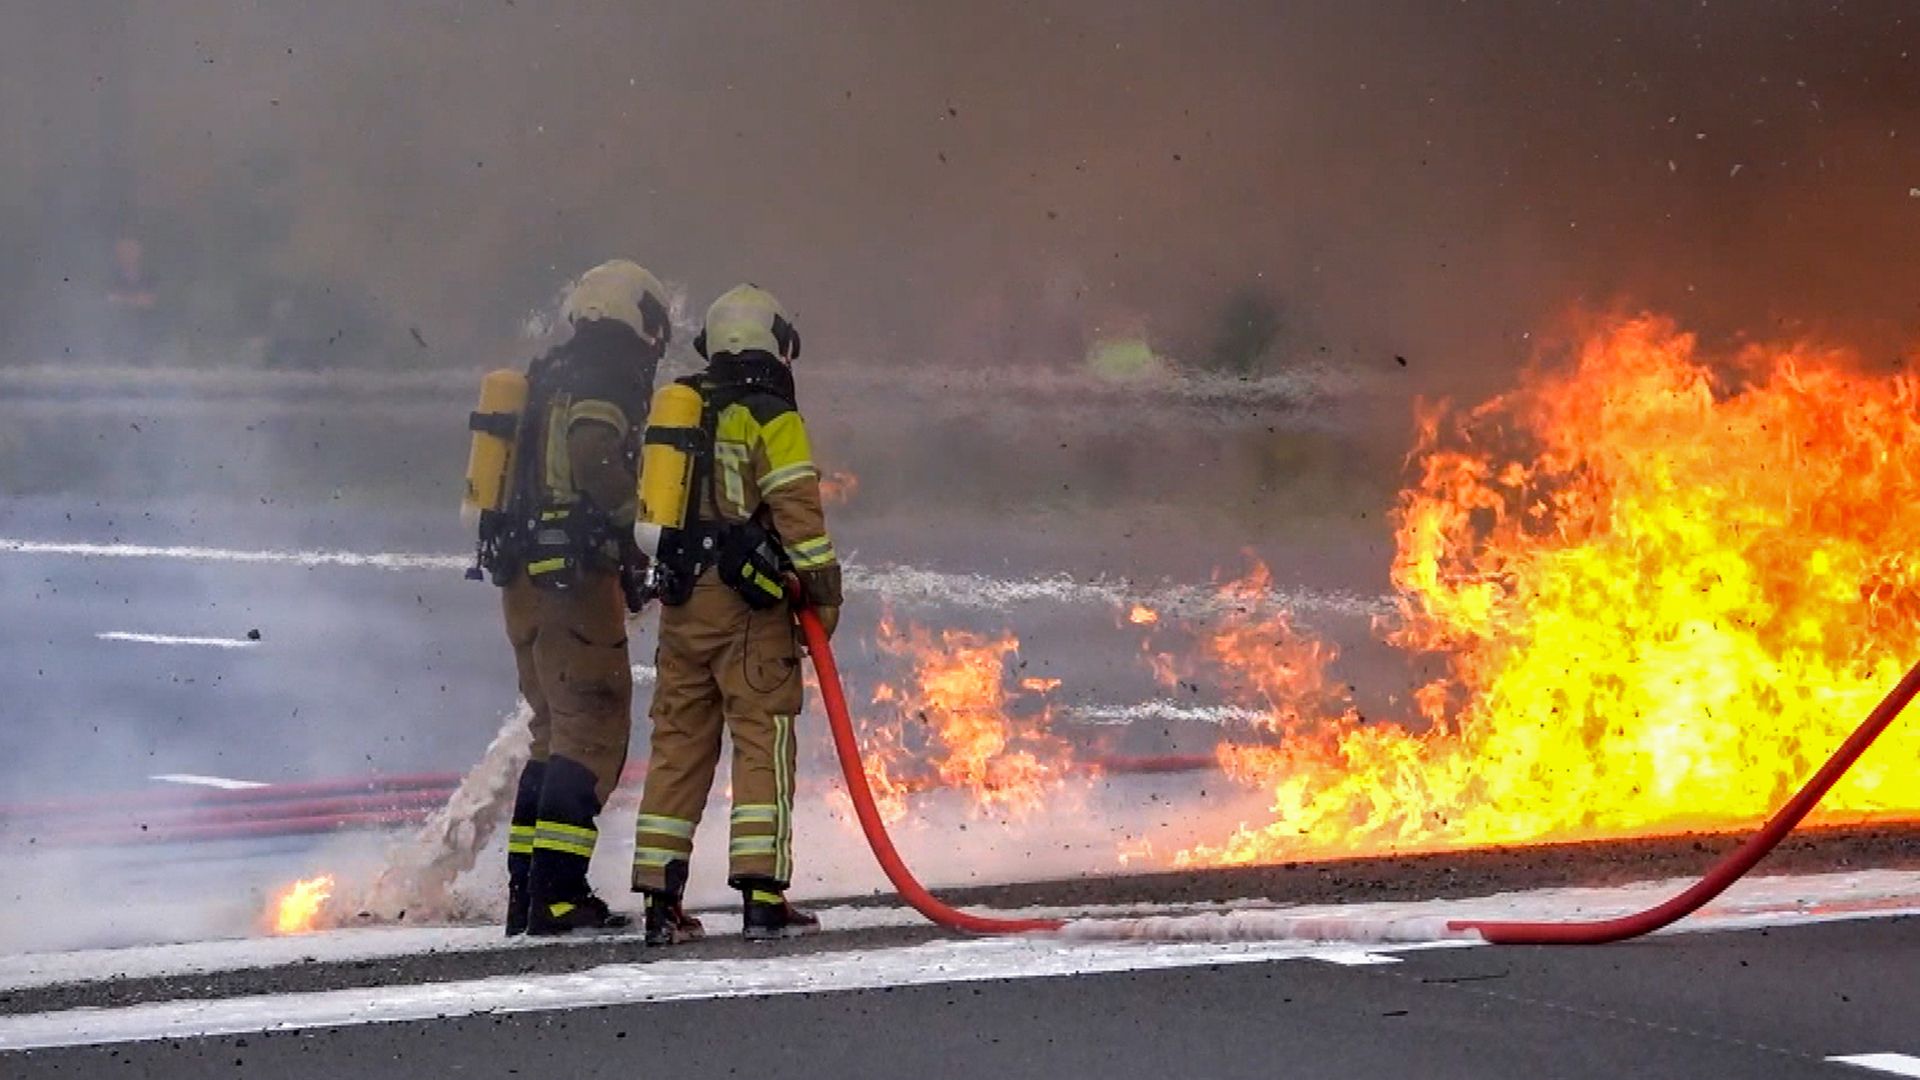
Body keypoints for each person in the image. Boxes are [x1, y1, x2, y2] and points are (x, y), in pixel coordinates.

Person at [632, 285, 843, 944]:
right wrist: (824, 600)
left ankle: (660, 906)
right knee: (762, 739)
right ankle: (761, 896)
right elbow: (799, 518)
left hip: (682, 600)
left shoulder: (682, 407)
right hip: (749, 611)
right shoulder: (769, 415)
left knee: (678, 749)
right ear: (775, 345)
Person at [498, 259, 672, 936]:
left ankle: (528, 896)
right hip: (570, 582)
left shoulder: (548, 374)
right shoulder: (606, 373)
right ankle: (560, 897)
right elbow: (596, 450)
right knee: (594, 727)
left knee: (551, 732)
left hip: (522, 581)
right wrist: (643, 530)